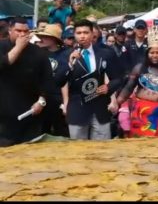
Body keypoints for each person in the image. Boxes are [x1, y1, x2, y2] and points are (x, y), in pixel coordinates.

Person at [56, 19, 123, 140]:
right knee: (79, 151)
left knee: (101, 151)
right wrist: (70, 64)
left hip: (100, 108)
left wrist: (108, 87)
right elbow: (58, 81)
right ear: (74, 35)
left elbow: (118, 78)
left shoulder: (106, 53)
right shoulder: (66, 55)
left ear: (93, 34)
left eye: (86, 32)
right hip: (78, 109)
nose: (82, 36)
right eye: (79, 33)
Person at [116, 26, 158, 138]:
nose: (154, 56)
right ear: (147, 53)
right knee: (139, 145)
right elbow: (128, 89)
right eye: (152, 53)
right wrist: (116, 103)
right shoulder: (139, 68)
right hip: (140, 111)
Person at [0, 17, 53, 146]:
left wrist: (41, 101)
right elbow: (4, 63)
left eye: (26, 31)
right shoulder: (1, 46)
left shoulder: (39, 53)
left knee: (29, 154)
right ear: (10, 30)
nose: (22, 34)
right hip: (4, 116)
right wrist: (18, 47)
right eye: (18, 30)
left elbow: (47, 81)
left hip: (30, 114)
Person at [36, 24, 70, 137]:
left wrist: (65, 102)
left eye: (45, 36)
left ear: (54, 39)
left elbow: (66, 81)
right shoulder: (38, 53)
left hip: (58, 98)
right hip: (41, 98)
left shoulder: (65, 54)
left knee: (60, 131)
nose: (42, 39)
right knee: (41, 131)